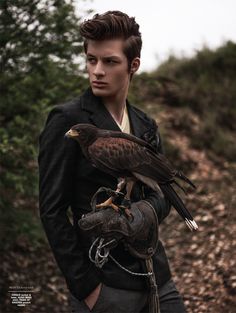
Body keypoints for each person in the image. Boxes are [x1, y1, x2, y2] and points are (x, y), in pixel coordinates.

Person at [38, 11, 187, 313]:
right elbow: (52, 211)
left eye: (109, 61)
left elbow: (163, 196)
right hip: (104, 286)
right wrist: (86, 287)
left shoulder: (145, 124)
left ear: (133, 66)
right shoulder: (67, 120)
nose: (97, 71)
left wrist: (139, 216)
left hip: (157, 276)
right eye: (91, 60)